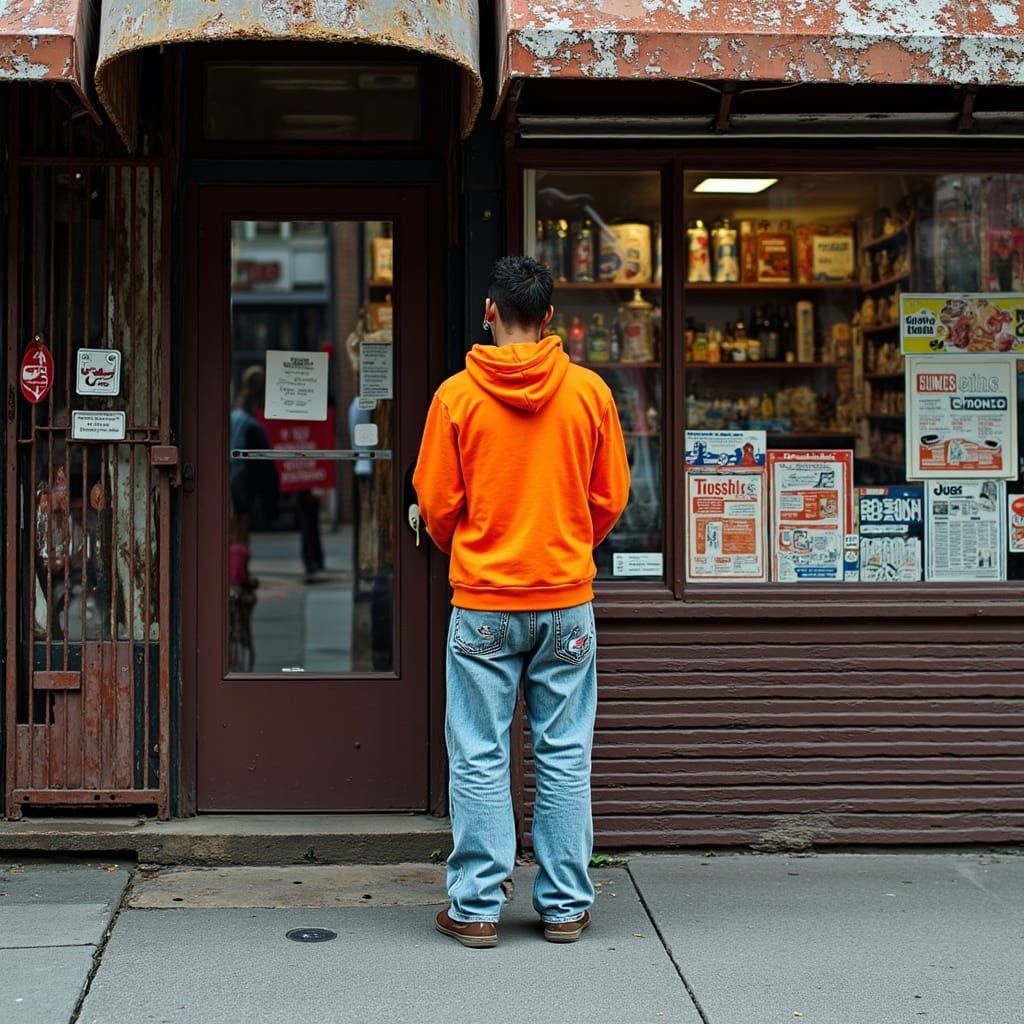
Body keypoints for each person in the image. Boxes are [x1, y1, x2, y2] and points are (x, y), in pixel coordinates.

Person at [413, 256, 630, 949]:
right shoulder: (590, 393)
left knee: (479, 752)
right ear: (551, 319)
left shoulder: (455, 397)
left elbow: (438, 505)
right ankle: (565, 906)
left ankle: (476, 908)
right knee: (564, 752)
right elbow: (611, 499)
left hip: (483, 602)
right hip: (566, 600)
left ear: (489, 311)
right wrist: (568, 545)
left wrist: (468, 547)